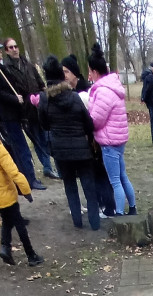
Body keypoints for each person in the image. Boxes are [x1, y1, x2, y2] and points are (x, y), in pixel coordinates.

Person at [38, 56, 99, 231]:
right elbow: (88, 123)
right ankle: (95, 223)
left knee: (70, 185)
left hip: (60, 150)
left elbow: (44, 124)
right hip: (81, 149)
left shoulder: (44, 99)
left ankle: (77, 222)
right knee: (88, 185)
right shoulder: (74, 97)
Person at [60, 53, 115, 218]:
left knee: (100, 173)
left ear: (75, 73)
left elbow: (94, 118)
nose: (64, 75)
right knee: (92, 174)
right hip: (83, 140)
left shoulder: (86, 90)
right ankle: (99, 203)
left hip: (93, 140)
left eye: (66, 71)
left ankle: (108, 205)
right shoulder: (69, 91)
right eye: (62, 72)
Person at [87, 43, 137, 216]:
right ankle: (132, 208)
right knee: (123, 176)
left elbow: (96, 121)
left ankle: (119, 214)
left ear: (95, 72)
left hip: (109, 143)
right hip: (119, 140)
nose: (88, 75)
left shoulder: (103, 91)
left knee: (115, 181)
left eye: (89, 72)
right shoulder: (113, 87)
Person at [2, 38, 59, 181]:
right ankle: (46, 167)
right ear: (6, 50)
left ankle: (50, 166)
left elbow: (39, 82)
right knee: (37, 139)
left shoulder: (27, 64)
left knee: (46, 136)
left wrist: (44, 93)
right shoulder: (7, 68)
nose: (14, 49)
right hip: (25, 109)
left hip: (38, 105)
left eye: (16, 46)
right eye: (11, 47)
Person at [0, 61, 44, 190]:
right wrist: (14, 99)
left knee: (21, 148)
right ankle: (28, 179)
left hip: (15, 114)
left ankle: (27, 178)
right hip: (7, 117)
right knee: (20, 149)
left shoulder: (4, 68)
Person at [0, 139, 42, 267]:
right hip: (5, 195)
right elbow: (13, 172)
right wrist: (26, 190)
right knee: (19, 224)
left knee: (7, 221)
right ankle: (31, 255)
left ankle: (5, 247)